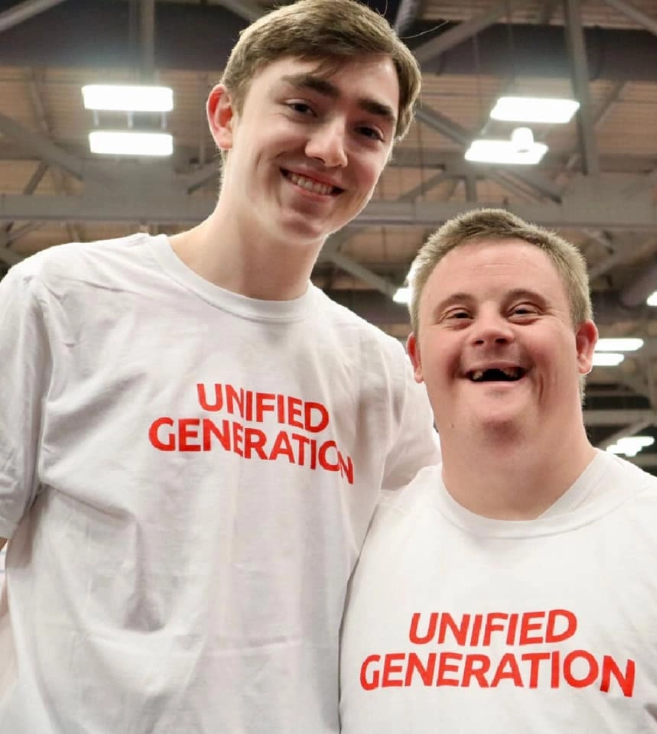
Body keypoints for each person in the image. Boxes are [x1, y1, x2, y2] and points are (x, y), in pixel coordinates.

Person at [0, 1, 439, 731]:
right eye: (303, 106)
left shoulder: (380, 374)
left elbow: (435, 577)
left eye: (369, 130)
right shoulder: (65, 299)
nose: (332, 149)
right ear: (226, 116)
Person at [340, 209, 657, 733]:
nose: (490, 331)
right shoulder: (358, 549)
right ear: (415, 357)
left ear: (583, 345)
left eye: (523, 310)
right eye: (457, 316)